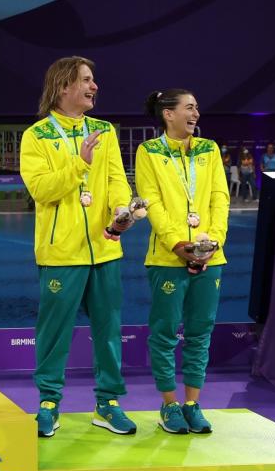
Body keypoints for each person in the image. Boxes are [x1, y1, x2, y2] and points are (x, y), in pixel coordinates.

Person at [19, 56, 137, 438]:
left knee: (108, 329)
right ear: (63, 87)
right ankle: (49, 403)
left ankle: (108, 403)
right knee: (55, 332)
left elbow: (117, 178)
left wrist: (122, 207)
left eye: (94, 79)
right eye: (86, 80)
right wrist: (78, 165)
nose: (94, 86)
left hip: (105, 248)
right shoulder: (36, 136)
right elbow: (41, 189)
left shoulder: (104, 130)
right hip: (61, 252)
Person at [135, 89, 229, 434]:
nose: (196, 114)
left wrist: (213, 240)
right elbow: (151, 202)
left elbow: (220, 196)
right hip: (167, 257)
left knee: (200, 332)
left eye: (197, 108)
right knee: (164, 334)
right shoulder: (149, 151)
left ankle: (192, 403)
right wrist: (178, 243)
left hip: (210, 254)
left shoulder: (209, 149)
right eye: (189, 107)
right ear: (168, 114)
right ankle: (169, 404)